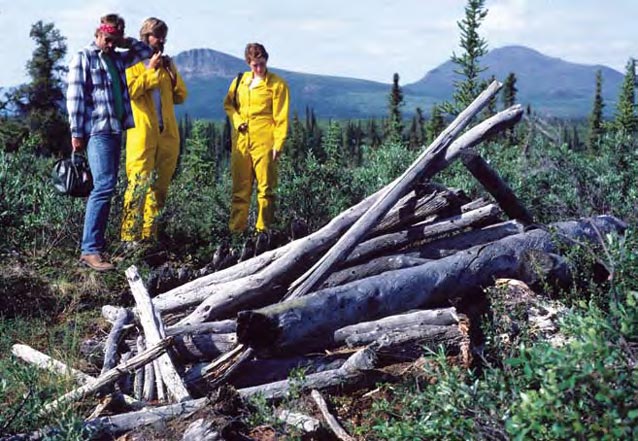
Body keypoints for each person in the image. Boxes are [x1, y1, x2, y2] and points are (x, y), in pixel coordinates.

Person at [66, 14, 152, 271]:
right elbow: (75, 97)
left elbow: (146, 50)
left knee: (108, 187)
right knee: (103, 187)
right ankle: (90, 250)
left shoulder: (116, 57)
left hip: (115, 129)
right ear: (97, 34)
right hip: (96, 130)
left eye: (114, 40)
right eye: (107, 39)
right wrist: (76, 132)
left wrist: (125, 40)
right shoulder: (84, 57)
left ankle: (97, 248)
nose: (110, 44)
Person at [120, 17, 187, 248]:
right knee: (138, 183)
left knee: (160, 187)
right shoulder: (132, 62)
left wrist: (170, 72)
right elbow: (130, 92)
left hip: (167, 133)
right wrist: (150, 70)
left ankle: (150, 236)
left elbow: (181, 96)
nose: (161, 41)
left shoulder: (166, 64)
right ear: (146, 37)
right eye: (157, 36)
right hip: (142, 133)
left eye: (163, 37)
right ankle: (129, 238)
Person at [223, 43, 290, 256]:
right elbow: (229, 106)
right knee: (240, 189)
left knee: (266, 189)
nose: (259, 68)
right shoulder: (239, 81)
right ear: (248, 63)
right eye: (255, 65)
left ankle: (263, 234)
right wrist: (237, 120)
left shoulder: (277, 85)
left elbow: (281, 116)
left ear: (267, 60)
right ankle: (236, 234)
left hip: (265, 139)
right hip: (241, 140)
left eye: (262, 64)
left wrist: (278, 144)